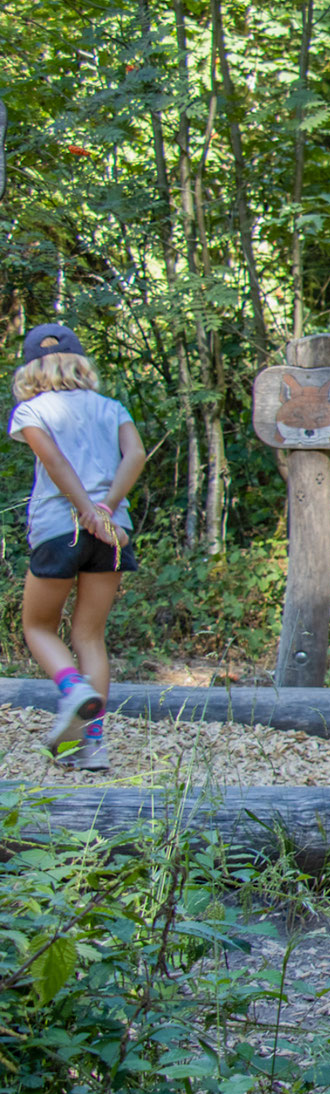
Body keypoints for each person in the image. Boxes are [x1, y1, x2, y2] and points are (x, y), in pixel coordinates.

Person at [9, 324, 145, 771]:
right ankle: (93, 746)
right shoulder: (112, 407)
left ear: (31, 368)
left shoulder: (32, 411)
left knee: (38, 627)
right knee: (89, 634)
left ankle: (73, 689)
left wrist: (85, 509)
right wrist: (105, 508)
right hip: (113, 531)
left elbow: (54, 461)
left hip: (58, 528)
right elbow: (136, 456)